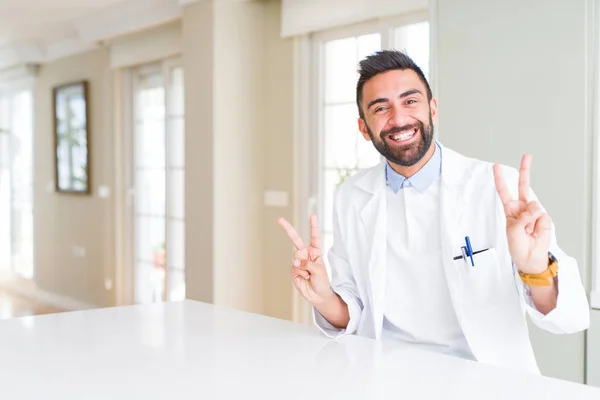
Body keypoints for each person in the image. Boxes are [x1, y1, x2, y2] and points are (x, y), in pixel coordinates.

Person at [278, 50, 589, 374]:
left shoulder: (499, 189)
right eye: (381, 108)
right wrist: (324, 296)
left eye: (410, 101)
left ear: (433, 109)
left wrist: (535, 267)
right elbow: (354, 310)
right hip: (385, 375)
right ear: (364, 127)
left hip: (483, 379)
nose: (398, 118)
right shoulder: (351, 197)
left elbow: (572, 317)